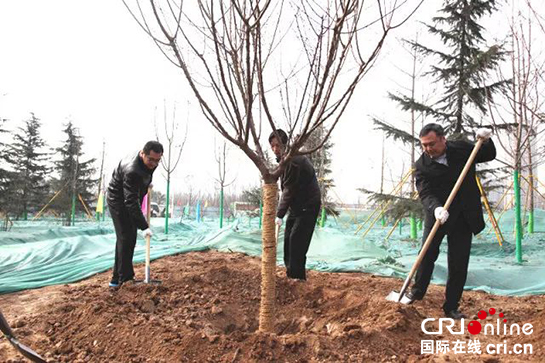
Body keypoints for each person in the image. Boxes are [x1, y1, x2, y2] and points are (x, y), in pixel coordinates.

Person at [405, 123, 495, 319]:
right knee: (427, 254)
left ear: (443, 139)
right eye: (424, 145)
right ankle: (416, 291)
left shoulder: (461, 148)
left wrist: (486, 140)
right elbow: (425, 192)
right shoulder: (421, 165)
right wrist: (436, 208)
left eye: (431, 144)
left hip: (464, 215)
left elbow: (487, 154)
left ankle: (451, 306)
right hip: (439, 214)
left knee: (458, 262)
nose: (428, 149)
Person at [107, 141, 163, 287]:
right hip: (118, 200)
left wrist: (145, 185)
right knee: (126, 237)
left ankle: (116, 280)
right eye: (151, 159)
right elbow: (130, 202)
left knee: (126, 238)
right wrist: (144, 226)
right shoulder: (133, 171)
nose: (154, 164)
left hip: (129, 196)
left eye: (157, 160)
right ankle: (124, 280)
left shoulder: (147, 163)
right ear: (142, 153)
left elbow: (141, 180)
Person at [269, 129, 321, 281]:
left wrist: (279, 214)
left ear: (285, 145)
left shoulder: (294, 161)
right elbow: (286, 189)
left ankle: (297, 280)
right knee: (288, 242)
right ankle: (290, 275)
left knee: (296, 243)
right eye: (272, 146)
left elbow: (288, 190)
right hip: (296, 206)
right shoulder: (285, 161)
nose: (275, 149)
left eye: (278, 145)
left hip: (308, 206)